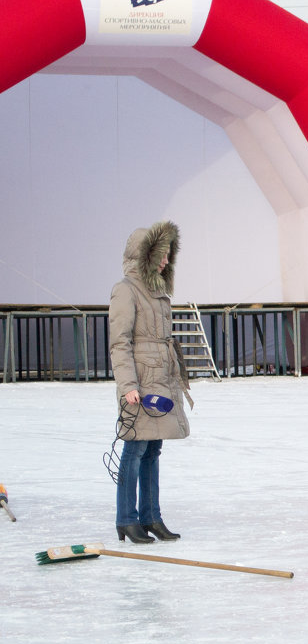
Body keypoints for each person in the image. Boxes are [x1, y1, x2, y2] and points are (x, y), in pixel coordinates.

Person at [109, 221, 192, 544]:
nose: (165, 261)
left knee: (153, 449)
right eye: (160, 255)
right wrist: (128, 385)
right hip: (140, 383)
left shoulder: (157, 291)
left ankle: (151, 517)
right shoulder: (125, 290)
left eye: (168, 256)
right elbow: (120, 342)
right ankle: (126, 519)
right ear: (144, 256)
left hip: (161, 378)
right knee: (135, 448)